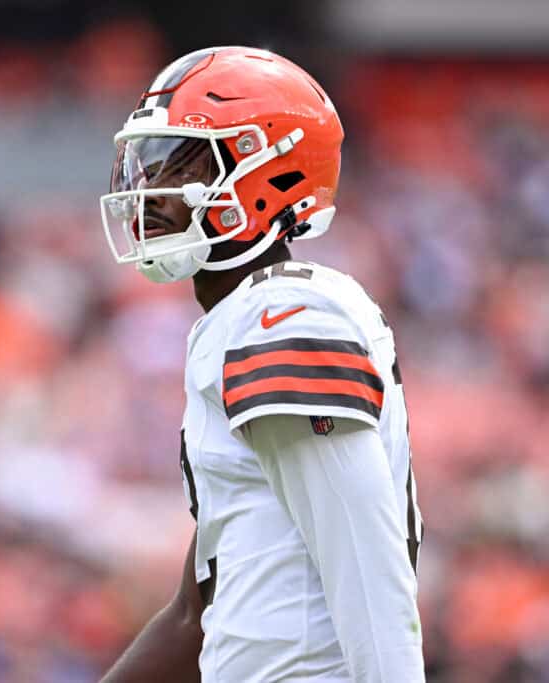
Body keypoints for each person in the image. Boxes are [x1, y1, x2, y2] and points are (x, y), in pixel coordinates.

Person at [98, 47, 425, 682]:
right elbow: (194, 615)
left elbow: (367, 568)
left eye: (185, 162)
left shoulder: (284, 315)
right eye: (151, 161)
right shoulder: (238, 319)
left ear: (268, 173)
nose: (150, 188)